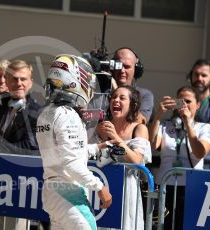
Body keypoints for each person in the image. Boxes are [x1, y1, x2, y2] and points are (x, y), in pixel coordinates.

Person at [36, 54, 112, 229]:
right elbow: (71, 163)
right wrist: (100, 188)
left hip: (52, 192)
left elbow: (63, 152)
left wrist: (95, 148)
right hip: (69, 193)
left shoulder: (46, 113)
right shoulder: (68, 115)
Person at [149, 86, 210, 229]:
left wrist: (189, 124)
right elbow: (152, 145)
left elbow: (200, 152)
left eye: (188, 101)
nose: (183, 105)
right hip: (165, 187)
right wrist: (158, 114)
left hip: (190, 188)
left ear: (198, 105)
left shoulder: (204, 128)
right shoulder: (165, 125)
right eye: (180, 101)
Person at [94, 85, 151, 230]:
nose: (116, 100)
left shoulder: (139, 129)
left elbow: (137, 161)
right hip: (100, 190)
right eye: (113, 97)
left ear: (132, 104)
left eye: (122, 98)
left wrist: (115, 137)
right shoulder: (100, 128)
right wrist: (95, 133)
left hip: (127, 193)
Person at [112, 47, 154, 125]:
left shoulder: (144, 95)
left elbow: (141, 122)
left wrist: (117, 91)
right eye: (119, 65)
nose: (122, 70)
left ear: (136, 70)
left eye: (127, 67)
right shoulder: (101, 91)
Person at [188, 59, 210, 123]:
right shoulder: (183, 100)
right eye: (196, 74)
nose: (199, 78)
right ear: (190, 76)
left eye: (204, 75)